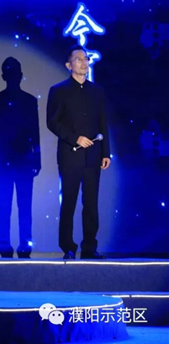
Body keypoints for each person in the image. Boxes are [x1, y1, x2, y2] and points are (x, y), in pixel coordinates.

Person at [46, 46, 110, 260]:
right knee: (69, 202)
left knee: (91, 203)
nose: (84, 62)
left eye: (86, 58)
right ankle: (68, 247)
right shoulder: (59, 90)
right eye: (79, 59)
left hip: (93, 155)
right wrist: (75, 138)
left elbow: (103, 123)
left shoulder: (97, 91)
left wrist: (106, 152)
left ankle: (90, 248)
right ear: (69, 65)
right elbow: (52, 122)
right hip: (70, 155)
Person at [0, 57, 41, 259]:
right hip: (8, 161)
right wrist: (9, 147)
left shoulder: (28, 101)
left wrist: (36, 159)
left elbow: (35, 134)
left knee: (20, 206)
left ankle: (21, 245)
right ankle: (7, 245)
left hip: (17, 161)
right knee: (8, 205)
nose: (12, 77)